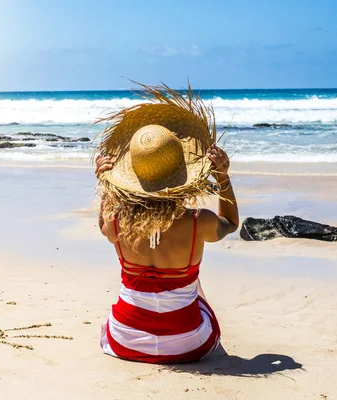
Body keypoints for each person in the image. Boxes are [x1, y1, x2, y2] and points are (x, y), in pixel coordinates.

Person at [94, 84, 239, 364]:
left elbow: (103, 221)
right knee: (195, 288)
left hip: (126, 339)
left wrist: (105, 182)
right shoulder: (199, 223)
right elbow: (231, 223)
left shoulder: (115, 223)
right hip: (188, 345)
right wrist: (223, 177)